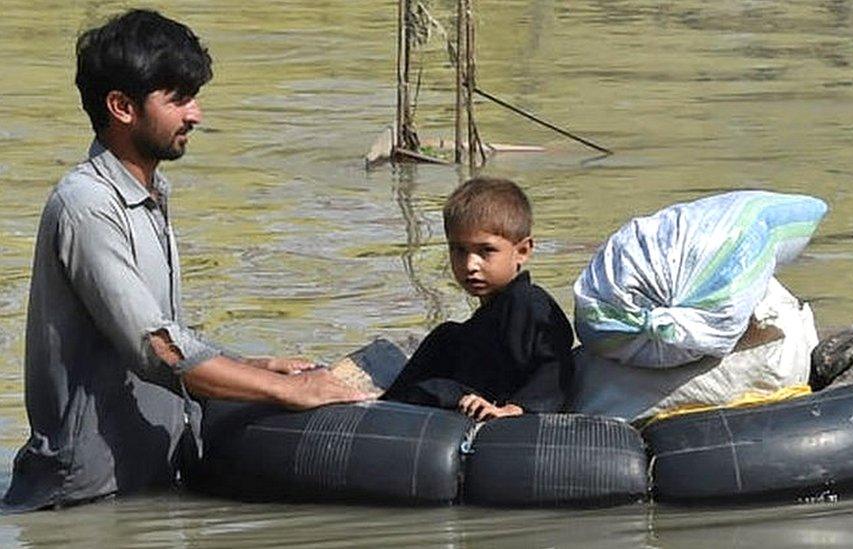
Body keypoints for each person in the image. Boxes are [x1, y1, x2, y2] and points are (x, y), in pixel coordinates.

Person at [3, 9, 367, 512]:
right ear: (121, 106)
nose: (195, 115)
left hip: (142, 488)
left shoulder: (149, 194)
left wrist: (253, 365)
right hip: (82, 501)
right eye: (178, 99)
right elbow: (157, 349)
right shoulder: (86, 205)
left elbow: (165, 334)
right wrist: (294, 392)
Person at [382, 177, 575, 420]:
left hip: (505, 416)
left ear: (522, 251)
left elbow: (557, 366)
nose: (470, 265)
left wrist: (514, 409)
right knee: (446, 336)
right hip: (467, 403)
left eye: (486, 251)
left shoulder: (528, 303)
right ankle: (378, 407)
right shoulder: (476, 323)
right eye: (458, 250)